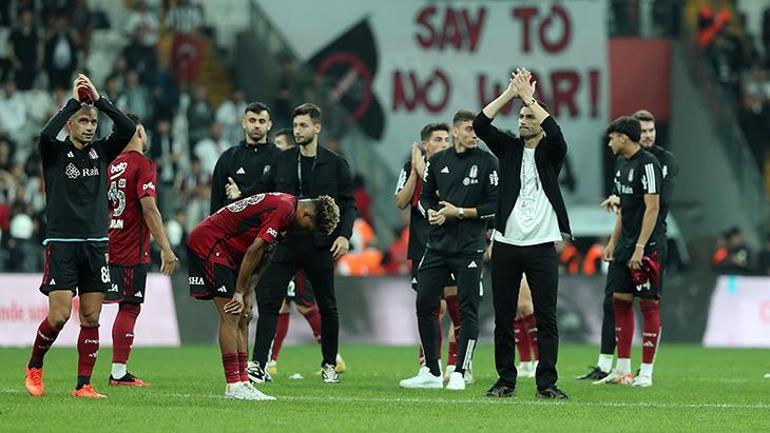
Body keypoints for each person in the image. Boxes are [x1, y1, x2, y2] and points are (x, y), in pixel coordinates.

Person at [24, 74, 136, 398]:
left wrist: (99, 100)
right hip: (62, 243)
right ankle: (35, 365)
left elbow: (126, 129)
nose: (89, 126)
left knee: (91, 316)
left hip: (96, 243)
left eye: (93, 122)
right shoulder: (54, 152)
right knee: (58, 316)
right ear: (70, 124)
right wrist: (74, 102)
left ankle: (83, 384)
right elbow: (46, 133)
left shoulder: (102, 152)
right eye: (83, 121)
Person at [474, 68, 571, 399]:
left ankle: (546, 383)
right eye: (521, 116)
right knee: (503, 318)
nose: (523, 120)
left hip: (542, 245)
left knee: (546, 317)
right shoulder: (508, 148)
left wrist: (530, 98)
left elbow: (557, 134)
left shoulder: (550, 152)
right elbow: (480, 125)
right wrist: (510, 95)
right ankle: (506, 380)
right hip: (506, 245)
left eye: (530, 116)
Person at [187, 192, 340, 400]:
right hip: (209, 244)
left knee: (243, 316)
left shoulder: (288, 211)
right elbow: (254, 250)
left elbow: (267, 252)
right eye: (310, 228)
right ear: (306, 215)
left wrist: (249, 290)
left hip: (226, 250)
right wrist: (240, 292)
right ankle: (233, 385)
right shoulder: (284, 210)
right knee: (231, 314)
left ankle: (243, 382)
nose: (307, 232)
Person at [250, 103, 356, 384]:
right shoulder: (282, 161)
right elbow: (262, 196)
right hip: (286, 243)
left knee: (327, 305)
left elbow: (349, 205)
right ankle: (259, 364)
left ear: (317, 128)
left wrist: (344, 235)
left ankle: (329, 365)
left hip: (320, 246)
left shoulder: (336, 164)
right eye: (295, 126)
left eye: (303, 126)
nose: (298, 131)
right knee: (270, 302)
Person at [399, 109, 498, 391]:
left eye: (477, 130)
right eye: (469, 129)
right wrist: (431, 213)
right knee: (424, 305)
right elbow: (426, 197)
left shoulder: (488, 163)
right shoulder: (439, 161)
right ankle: (431, 369)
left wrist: (461, 213)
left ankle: (460, 371)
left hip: (469, 248)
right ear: (456, 132)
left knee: (466, 310)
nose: (474, 134)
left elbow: (496, 205)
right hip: (437, 246)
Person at [582, 109, 678, 381]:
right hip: (625, 246)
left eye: (612, 138)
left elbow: (653, 208)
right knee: (619, 302)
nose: (609, 143)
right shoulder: (621, 164)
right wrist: (613, 243)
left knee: (649, 305)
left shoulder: (649, 164)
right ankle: (622, 368)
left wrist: (639, 247)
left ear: (624, 138)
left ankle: (645, 372)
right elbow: (624, 210)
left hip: (648, 246)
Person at [104, 114, 178, 387]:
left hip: (111, 242)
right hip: (131, 248)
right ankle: (119, 373)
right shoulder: (142, 164)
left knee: (99, 308)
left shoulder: (112, 166)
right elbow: (149, 207)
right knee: (130, 306)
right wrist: (166, 248)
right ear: (139, 132)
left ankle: (101, 373)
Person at [393, 122, 464, 380]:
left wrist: (426, 174)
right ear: (425, 144)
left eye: (446, 139)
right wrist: (415, 172)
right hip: (423, 248)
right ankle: (427, 365)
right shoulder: (411, 167)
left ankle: (457, 367)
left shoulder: (456, 165)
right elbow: (401, 201)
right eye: (438, 139)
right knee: (432, 307)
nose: (444, 143)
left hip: (453, 246)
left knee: (457, 307)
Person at [210, 102, 279, 215]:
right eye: (252, 120)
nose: (256, 125)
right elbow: (216, 201)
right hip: (235, 227)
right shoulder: (228, 157)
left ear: (269, 125)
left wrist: (241, 193)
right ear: (243, 123)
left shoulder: (279, 157)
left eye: (261, 121)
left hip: (268, 226)